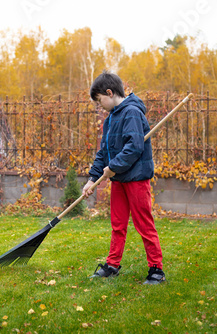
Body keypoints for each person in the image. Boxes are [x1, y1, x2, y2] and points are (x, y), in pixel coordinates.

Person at [82, 71, 166, 285]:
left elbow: (135, 147)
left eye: (100, 101)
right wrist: (93, 178)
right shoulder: (110, 120)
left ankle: (156, 270)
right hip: (119, 180)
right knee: (118, 224)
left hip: (136, 178)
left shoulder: (131, 113)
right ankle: (112, 265)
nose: (100, 106)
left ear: (109, 93)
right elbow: (104, 152)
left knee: (143, 223)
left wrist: (113, 167)